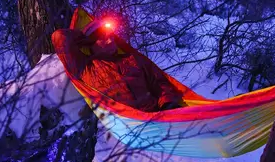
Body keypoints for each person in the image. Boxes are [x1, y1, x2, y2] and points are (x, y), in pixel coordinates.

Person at [52, 23, 186, 113]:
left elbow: (159, 83)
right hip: (125, 126)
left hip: (155, 117)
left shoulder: (132, 58)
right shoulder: (85, 68)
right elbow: (59, 37)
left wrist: (168, 103)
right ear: (91, 44)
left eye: (111, 36)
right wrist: (85, 37)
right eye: (103, 39)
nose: (110, 41)